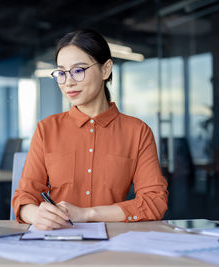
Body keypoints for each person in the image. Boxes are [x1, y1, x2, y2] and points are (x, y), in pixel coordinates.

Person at [12, 29, 168, 230]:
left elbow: (154, 202)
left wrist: (87, 214)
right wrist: (37, 215)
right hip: (57, 239)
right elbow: (24, 198)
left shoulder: (137, 132)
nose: (68, 82)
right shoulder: (47, 129)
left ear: (106, 70)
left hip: (115, 241)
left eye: (78, 70)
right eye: (61, 73)